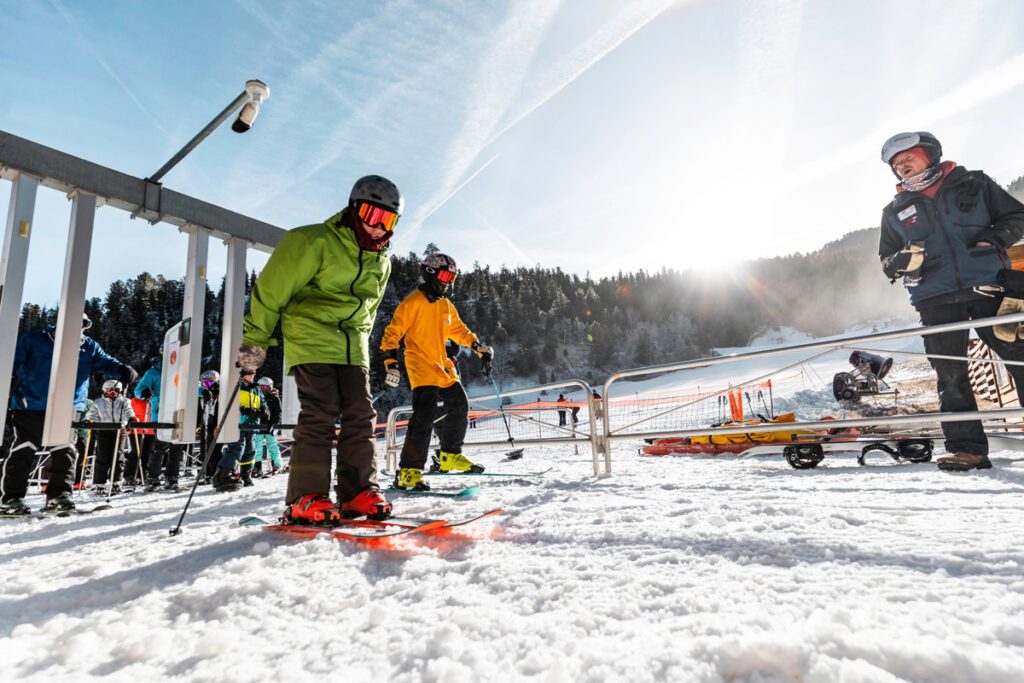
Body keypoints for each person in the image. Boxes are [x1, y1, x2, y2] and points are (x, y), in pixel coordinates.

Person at [237, 175, 401, 524]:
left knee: (361, 415)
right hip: (311, 336)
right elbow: (270, 291)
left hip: (352, 346)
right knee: (321, 412)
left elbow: (369, 313)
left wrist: (363, 351)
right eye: (372, 215)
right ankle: (305, 496)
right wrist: (254, 346)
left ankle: (358, 492)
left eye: (387, 220)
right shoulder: (312, 241)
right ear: (354, 209)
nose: (377, 227)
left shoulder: (382, 262)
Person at [879, 131, 1024, 471]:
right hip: (935, 298)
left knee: (1020, 358)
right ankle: (968, 451)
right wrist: (900, 262)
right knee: (950, 373)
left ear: (929, 154)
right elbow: (886, 261)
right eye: (896, 165)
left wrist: (992, 241)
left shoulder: (973, 183)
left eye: (907, 158)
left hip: (991, 288)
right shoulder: (894, 210)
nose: (902, 166)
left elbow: (1017, 218)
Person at [381, 252, 494, 491]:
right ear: (430, 273)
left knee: (460, 404)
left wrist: (477, 347)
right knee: (424, 415)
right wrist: (391, 362)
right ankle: (408, 471)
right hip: (421, 365)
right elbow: (392, 333)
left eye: (452, 277)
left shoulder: (445, 305)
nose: (448, 281)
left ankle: (449, 454)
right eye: (445, 275)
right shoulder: (412, 303)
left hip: (442, 366)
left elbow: (460, 331)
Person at [0, 314, 135, 514]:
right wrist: (10, 380)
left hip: (69, 405)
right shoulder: (36, 338)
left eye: (82, 325)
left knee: (66, 449)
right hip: (31, 403)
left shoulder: (89, 346)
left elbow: (104, 361)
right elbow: (14, 360)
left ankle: (60, 494)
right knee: (25, 448)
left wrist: (122, 370)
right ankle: (12, 498)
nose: (77, 329)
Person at [136, 357, 185, 492]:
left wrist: (202, 391)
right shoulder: (154, 372)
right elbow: (139, 389)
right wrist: (144, 392)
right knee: (159, 447)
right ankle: (153, 479)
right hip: (161, 413)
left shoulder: (183, 369)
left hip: (179, 412)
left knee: (176, 447)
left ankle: (172, 478)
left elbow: (194, 384)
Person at [85, 379, 135, 493]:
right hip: (103, 430)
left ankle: (116, 482)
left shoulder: (125, 401)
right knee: (102, 456)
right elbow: (92, 414)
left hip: (119, 430)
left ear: (120, 390)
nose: (113, 392)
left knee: (118, 456)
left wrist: (131, 418)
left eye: (116, 390)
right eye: (109, 390)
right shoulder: (98, 402)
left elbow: (128, 411)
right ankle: (99, 483)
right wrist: (92, 421)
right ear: (105, 390)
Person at [253, 376, 283, 476]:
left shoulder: (274, 398)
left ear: (270, 387)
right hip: (258, 426)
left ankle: (277, 465)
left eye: (265, 388)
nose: (263, 390)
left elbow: (278, 413)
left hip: (270, 426)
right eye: (261, 388)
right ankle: (257, 467)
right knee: (257, 447)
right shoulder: (256, 397)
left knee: (272, 446)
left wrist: (275, 425)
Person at [197, 370, 222, 484]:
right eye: (204, 383)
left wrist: (219, 424)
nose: (207, 386)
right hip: (205, 424)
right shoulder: (202, 393)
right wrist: (198, 424)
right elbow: (199, 409)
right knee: (204, 450)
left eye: (209, 383)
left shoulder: (219, 392)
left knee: (215, 450)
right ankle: (206, 473)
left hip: (215, 424)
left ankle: (214, 473)